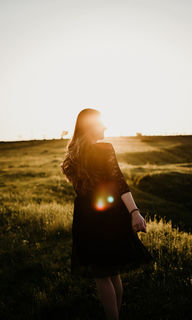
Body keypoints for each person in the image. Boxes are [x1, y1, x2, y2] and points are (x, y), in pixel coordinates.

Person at [60, 108, 154, 320]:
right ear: (90, 126)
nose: (105, 126)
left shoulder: (73, 154)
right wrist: (135, 212)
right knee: (111, 273)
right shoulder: (105, 148)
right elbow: (119, 182)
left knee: (103, 274)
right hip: (109, 216)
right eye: (101, 123)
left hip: (86, 218)